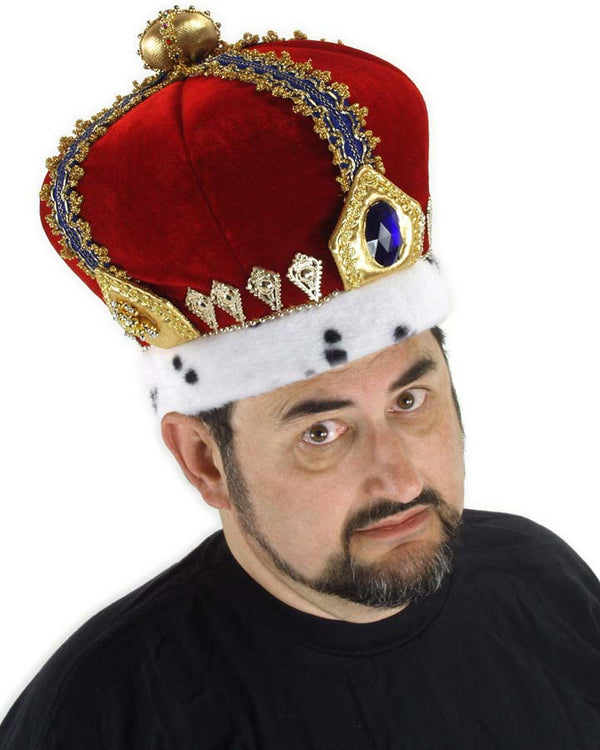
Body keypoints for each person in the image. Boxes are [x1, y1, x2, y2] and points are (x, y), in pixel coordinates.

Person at [1, 7, 599, 749]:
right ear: (204, 460)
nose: (400, 478)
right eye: (322, 431)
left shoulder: (542, 580)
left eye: (411, 399)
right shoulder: (99, 719)